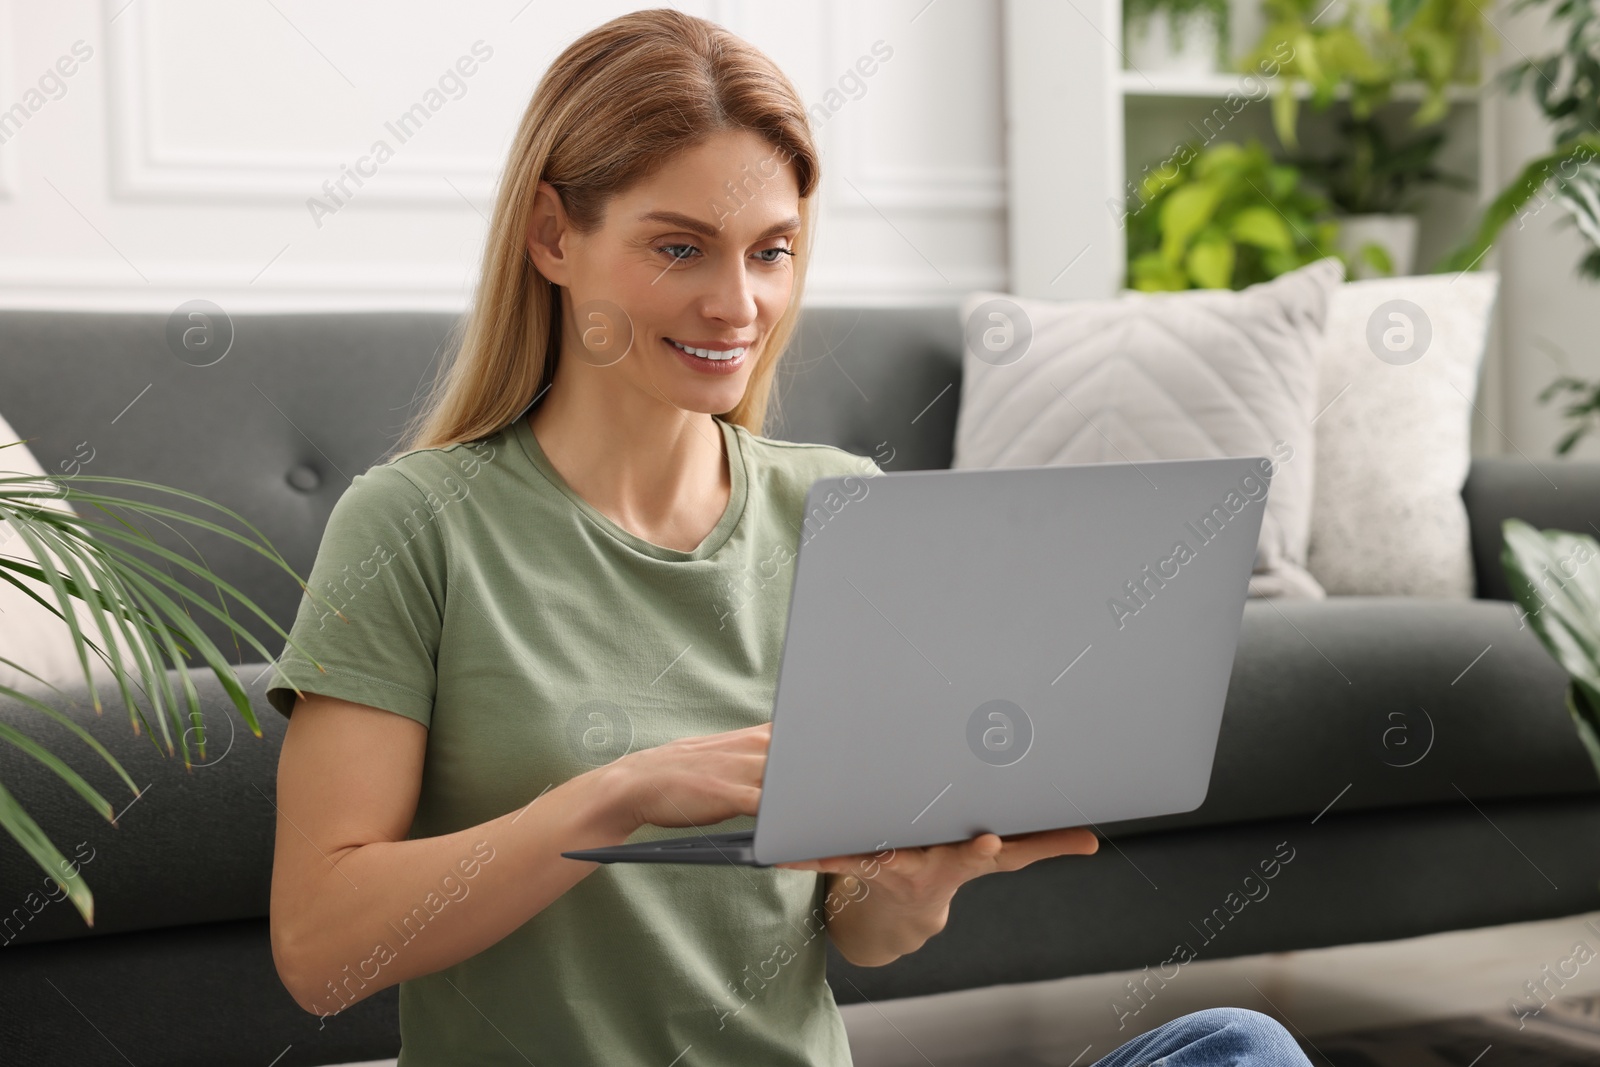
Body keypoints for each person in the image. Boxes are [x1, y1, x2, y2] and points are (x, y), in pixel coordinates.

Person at [265, 9, 1315, 1066]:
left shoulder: (838, 506)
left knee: (1238, 1044)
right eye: (679, 247)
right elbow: (320, 947)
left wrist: (914, 883)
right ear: (551, 235)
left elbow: (857, 927)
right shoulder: (413, 524)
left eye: (772, 251)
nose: (737, 303)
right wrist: (616, 794)